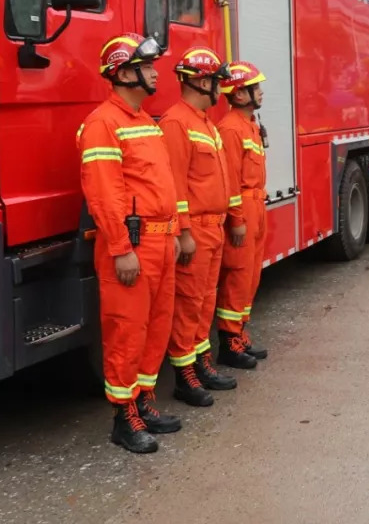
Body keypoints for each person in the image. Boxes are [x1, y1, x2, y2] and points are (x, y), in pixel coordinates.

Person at [78, 33, 182, 454]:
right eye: (147, 66)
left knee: (155, 329)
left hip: (159, 243)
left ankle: (143, 402)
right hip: (132, 247)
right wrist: (121, 249)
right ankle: (123, 418)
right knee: (127, 332)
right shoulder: (104, 123)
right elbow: (105, 195)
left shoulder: (143, 121)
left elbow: (163, 186)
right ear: (123, 71)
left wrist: (173, 232)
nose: (155, 72)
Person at [161, 48, 243, 407]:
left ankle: (202, 363)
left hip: (214, 227)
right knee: (188, 303)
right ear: (199, 81)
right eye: (215, 82)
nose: (219, 89)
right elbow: (175, 185)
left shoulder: (206, 122)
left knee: (205, 301)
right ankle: (184, 376)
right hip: (195, 228)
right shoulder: (177, 123)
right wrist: (183, 232)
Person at [216, 61, 270, 367]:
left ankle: (240, 331)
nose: (260, 92)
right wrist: (236, 218)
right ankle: (228, 341)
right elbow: (231, 182)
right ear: (238, 94)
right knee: (237, 275)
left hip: (256, 206)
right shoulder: (230, 129)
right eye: (255, 87)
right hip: (244, 209)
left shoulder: (250, 124)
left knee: (250, 275)